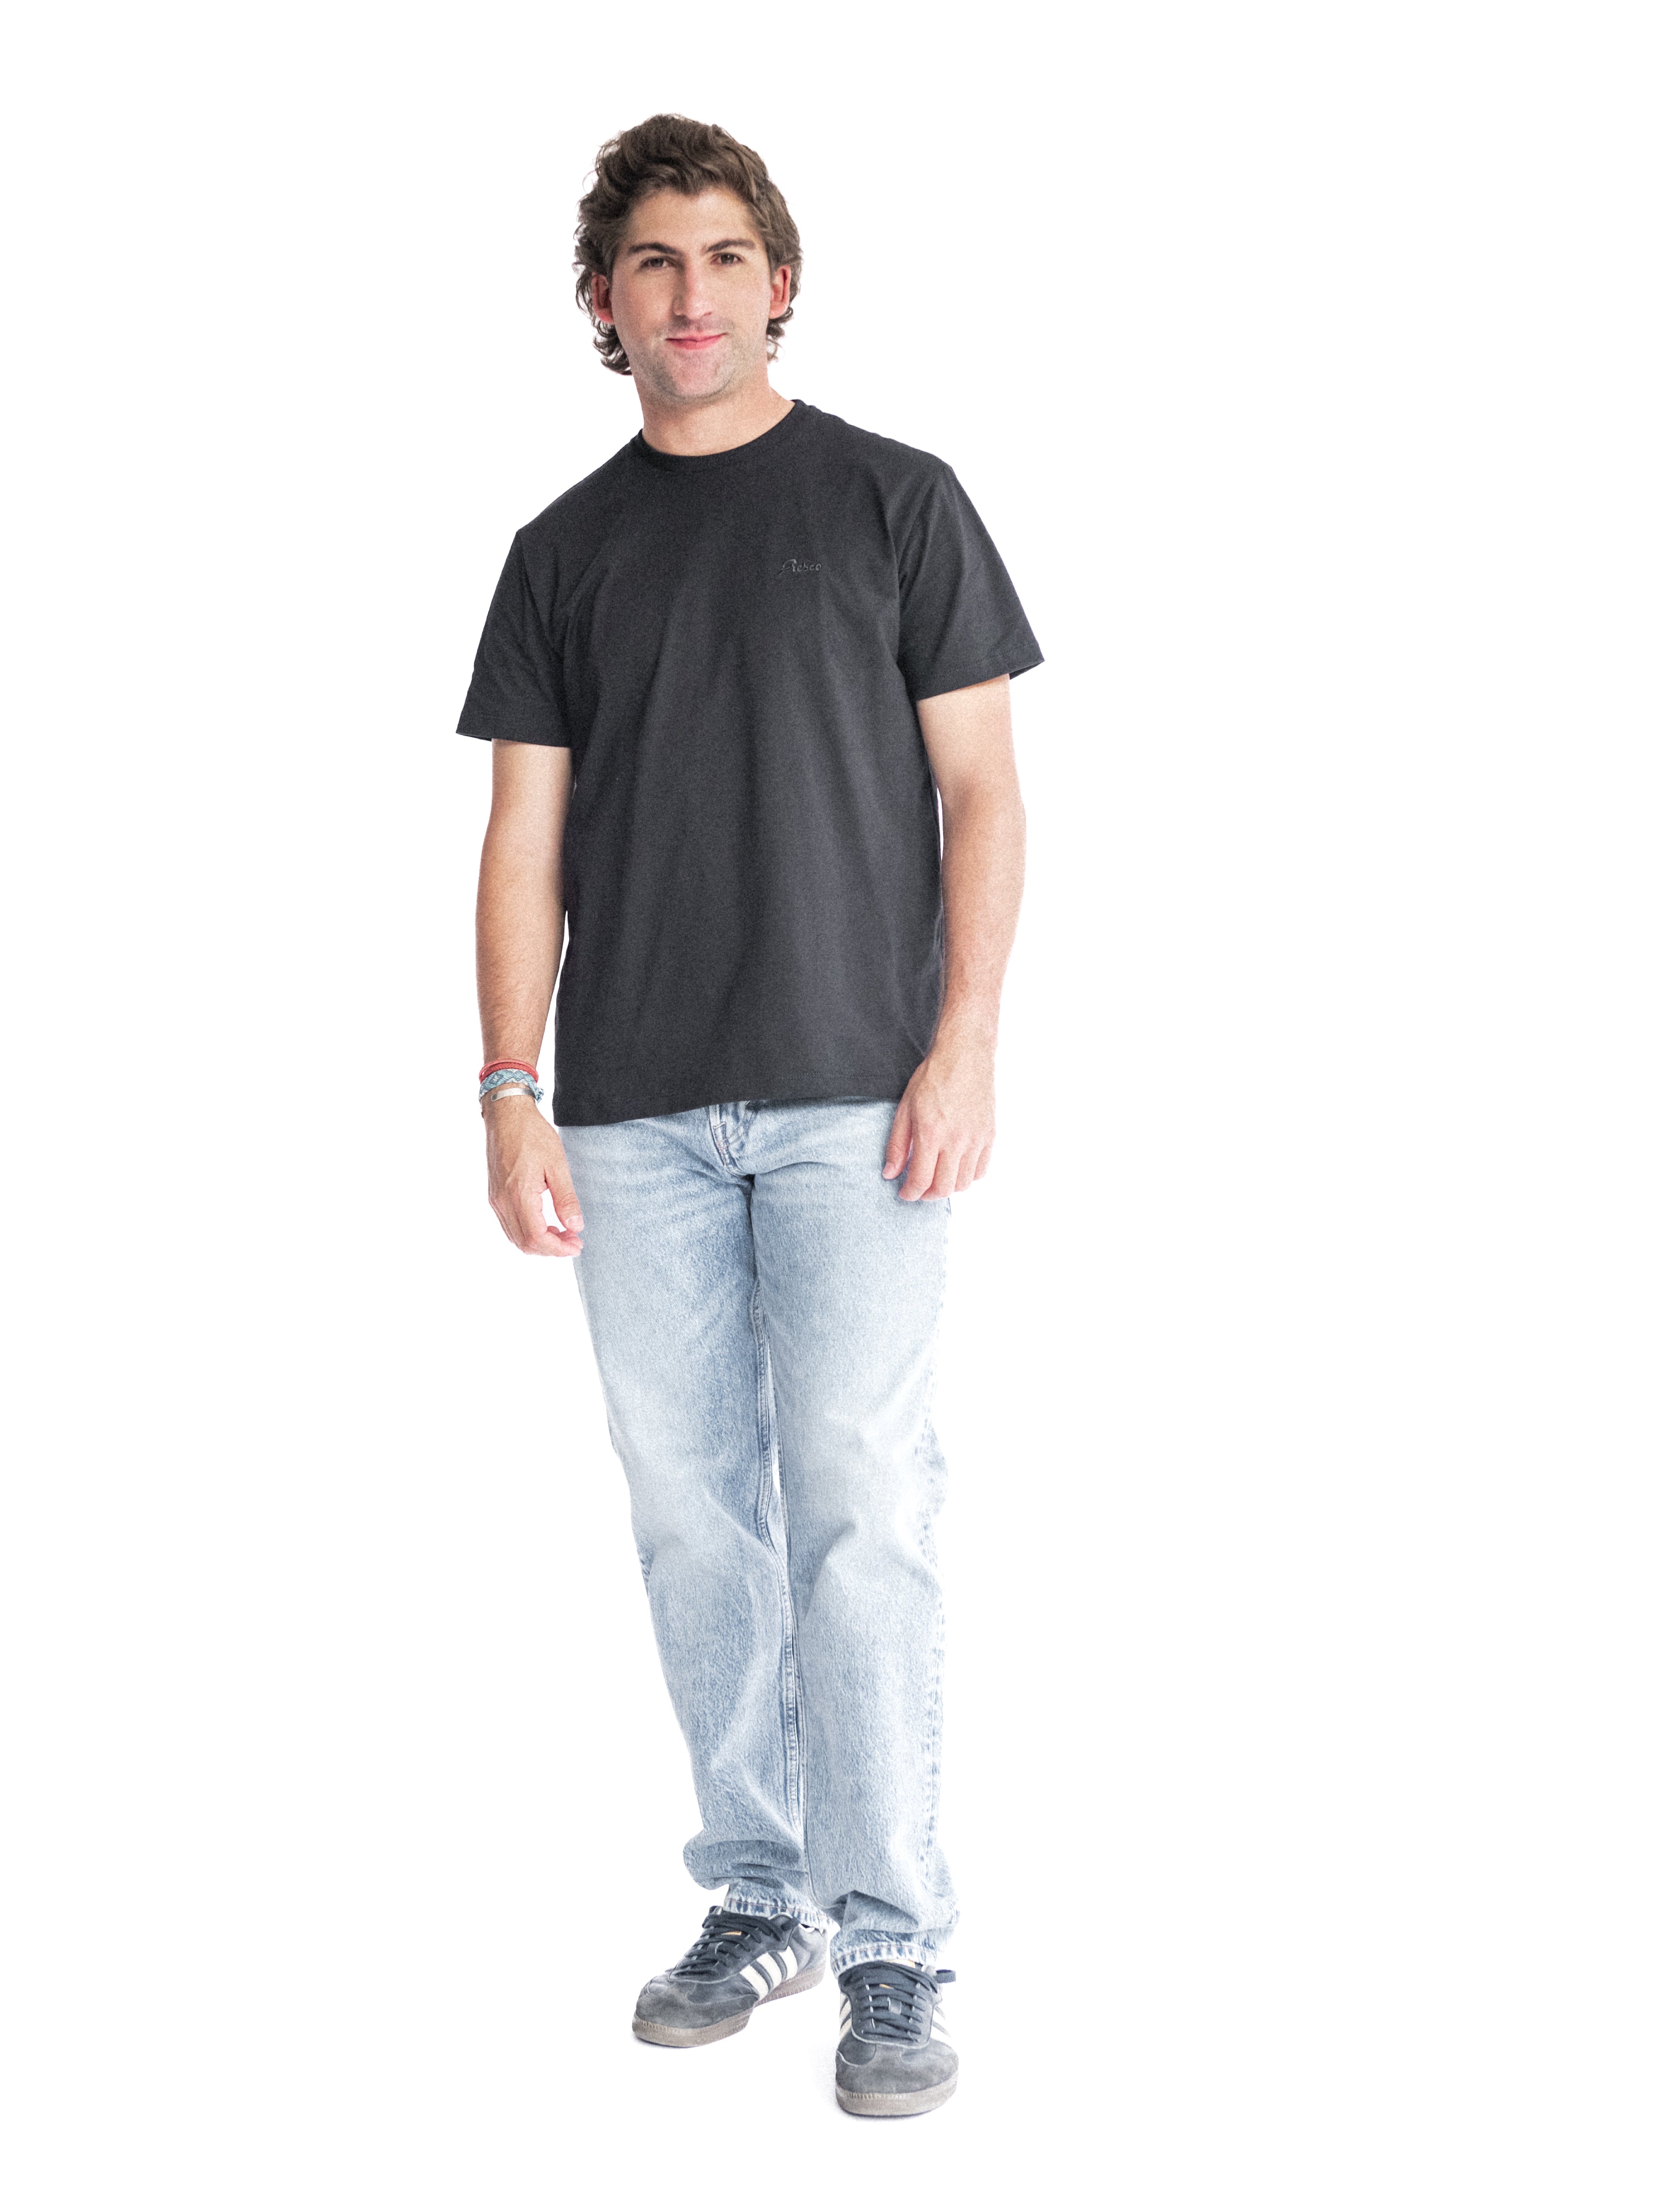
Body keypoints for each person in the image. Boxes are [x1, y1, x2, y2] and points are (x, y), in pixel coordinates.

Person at [456, 113, 1041, 2118]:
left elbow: (986, 793)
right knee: (693, 1513)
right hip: (630, 1112)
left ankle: (894, 1944)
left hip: (856, 1100)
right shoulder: (561, 552)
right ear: (603, 302)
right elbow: (522, 838)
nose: (689, 294)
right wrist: (510, 1090)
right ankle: (760, 1894)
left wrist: (966, 1045)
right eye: (652, 262)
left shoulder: (897, 501)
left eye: (722, 257)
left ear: (778, 283)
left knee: (862, 1503)